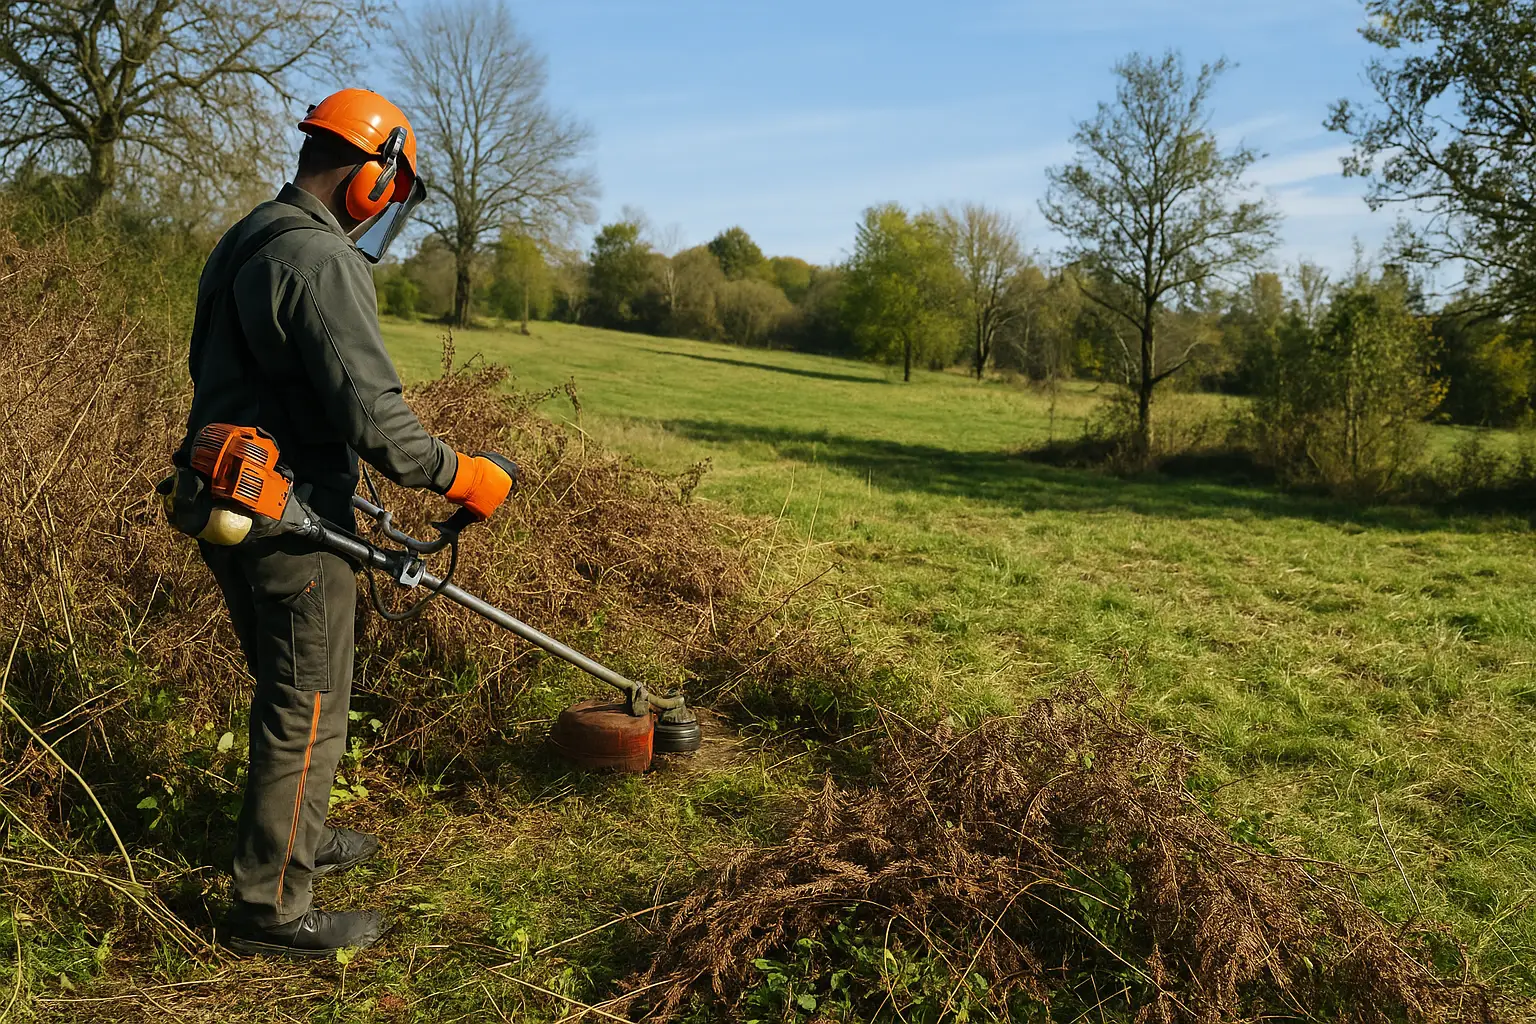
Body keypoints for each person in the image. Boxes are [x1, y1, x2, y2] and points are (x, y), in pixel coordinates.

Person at [174, 89, 514, 958]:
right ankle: (271, 911)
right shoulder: (320, 262)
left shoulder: (250, 235)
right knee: (310, 702)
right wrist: (466, 474)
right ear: (370, 179)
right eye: (389, 191)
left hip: (228, 496)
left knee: (287, 682)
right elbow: (381, 424)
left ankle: (299, 833)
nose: (385, 210)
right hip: (286, 517)